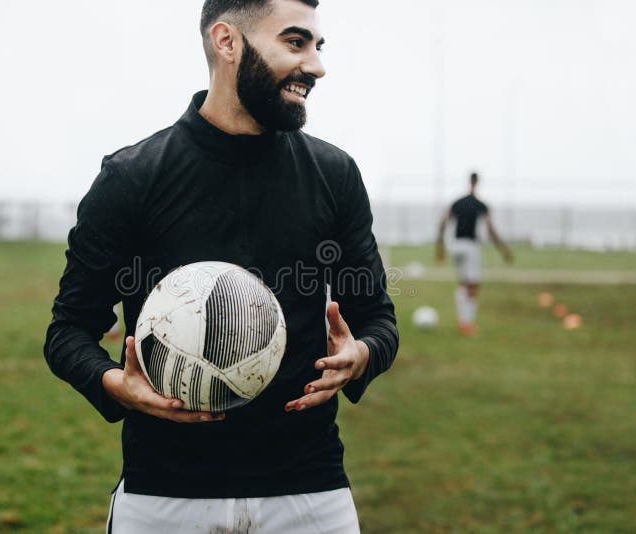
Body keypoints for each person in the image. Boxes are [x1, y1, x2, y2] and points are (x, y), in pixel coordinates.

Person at [43, 0, 399, 532]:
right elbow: (68, 330)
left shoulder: (334, 174)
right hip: (165, 496)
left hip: (310, 493)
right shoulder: (132, 177)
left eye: (317, 47)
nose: (317, 66)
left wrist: (361, 354)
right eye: (296, 43)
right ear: (226, 42)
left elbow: (379, 319)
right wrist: (114, 383)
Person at [435, 172, 512, 335]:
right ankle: (466, 324)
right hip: (470, 247)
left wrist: (440, 245)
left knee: (464, 284)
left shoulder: (456, 203)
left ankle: (463, 321)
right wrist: (503, 249)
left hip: (455, 246)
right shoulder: (481, 205)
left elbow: (443, 222)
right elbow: (491, 230)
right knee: (473, 286)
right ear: (478, 182)